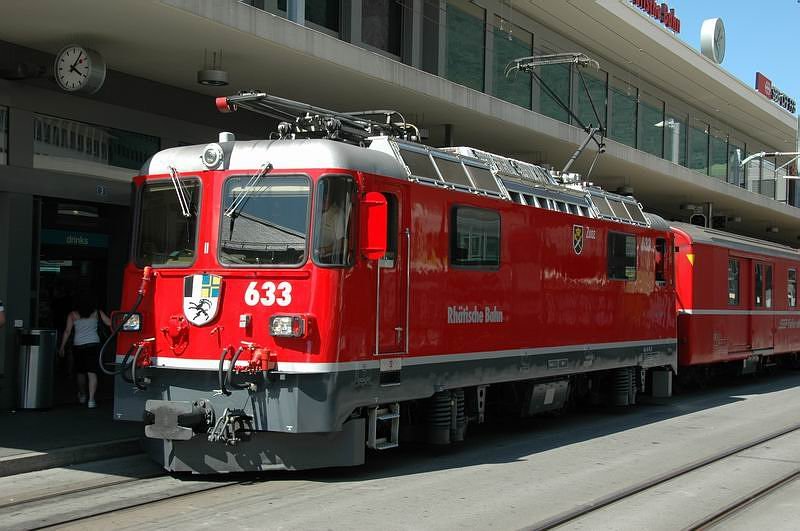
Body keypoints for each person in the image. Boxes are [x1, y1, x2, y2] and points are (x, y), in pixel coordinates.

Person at [58, 295, 111, 408]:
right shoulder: (97, 313)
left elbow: (67, 331)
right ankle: (91, 400)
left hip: (78, 346)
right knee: (92, 373)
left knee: (81, 372)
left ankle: (82, 395)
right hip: (93, 345)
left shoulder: (73, 315)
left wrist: (62, 347)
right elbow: (109, 323)